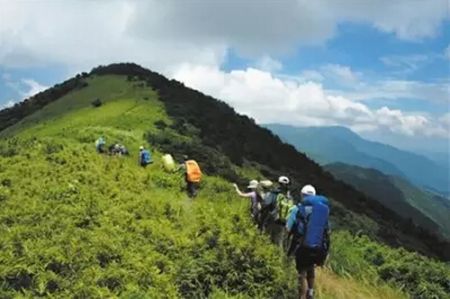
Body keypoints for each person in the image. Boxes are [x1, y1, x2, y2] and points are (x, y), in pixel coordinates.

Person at [286, 184, 330, 299]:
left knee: (302, 272)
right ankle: (310, 292)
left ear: (302, 195)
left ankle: (302, 296)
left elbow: (288, 228)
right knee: (310, 267)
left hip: (302, 247)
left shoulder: (298, 209)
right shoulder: (321, 211)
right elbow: (327, 231)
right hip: (318, 248)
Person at [260, 176, 294, 248]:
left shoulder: (274, 193)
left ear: (279, 183)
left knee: (267, 238)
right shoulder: (289, 197)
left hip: (273, 218)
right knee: (279, 241)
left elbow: (266, 203)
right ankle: (277, 256)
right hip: (283, 221)